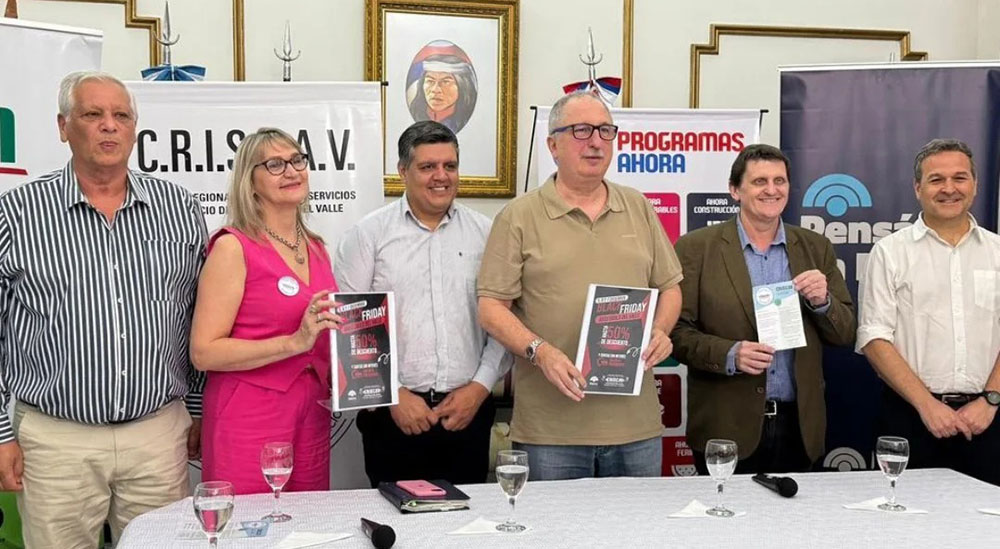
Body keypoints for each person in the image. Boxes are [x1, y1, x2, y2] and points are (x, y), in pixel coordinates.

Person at [0, 71, 207, 547]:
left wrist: (197, 409)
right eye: (92, 114)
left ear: (134, 128)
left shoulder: (179, 209)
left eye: (121, 115)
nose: (109, 125)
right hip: (55, 443)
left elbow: (196, 316)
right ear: (63, 126)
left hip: (158, 437)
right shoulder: (16, 213)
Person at [477, 91, 682, 480]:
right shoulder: (518, 217)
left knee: (638, 522)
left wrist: (660, 331)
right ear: (553, 145)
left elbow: (670, 288)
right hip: (551, 432)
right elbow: (491, 309)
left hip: (635, 428)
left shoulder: (638, 207)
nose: (596, 142)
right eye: (582, 130)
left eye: (605, 131)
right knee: (554, 524)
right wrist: (540, 352)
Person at [335, 120, 509, 487]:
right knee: (396, 519)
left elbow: (504, 320)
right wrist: (392, 395)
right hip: (392, 417)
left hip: (467, 414)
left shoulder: (487, 234)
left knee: (468, 519)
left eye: (450, 165)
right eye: (428, 166)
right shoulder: (368, 235)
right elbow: (348, 326)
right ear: (403, 171)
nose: (441, 176)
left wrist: (479, 388)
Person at [670, 144, 856, 475]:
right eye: (759, 182)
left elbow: (844, 333)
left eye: (779, 181)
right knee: (726, 511)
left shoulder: (816, 247)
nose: (772, 190)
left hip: (799, 427)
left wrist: (822, 302)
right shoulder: (696, 248)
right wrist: (730, 354)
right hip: (726, 426)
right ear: (735, 190)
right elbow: (676, 333)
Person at [190, 127, 341, 495]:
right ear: (250, 182)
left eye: (297, 160)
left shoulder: (317, 247)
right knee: (250, 522)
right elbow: (203, 352)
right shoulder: (233, 247)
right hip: (248, 414)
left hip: (313, 413)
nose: (291, 171)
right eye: (274, 165)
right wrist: (293, 342)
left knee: (309, 522)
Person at [858, 138, 1000, 485]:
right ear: (917, 188)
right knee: (904, 516)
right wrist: (927, 405)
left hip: (989, 418)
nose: (949, 188)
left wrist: (991, 400)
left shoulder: (997, 252)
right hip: (910, 418)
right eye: (937, 179)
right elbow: (874, 338)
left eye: (960, 178)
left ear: (975, 185)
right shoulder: (890, 252)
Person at [406, 40, 478, 133]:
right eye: (430, 81)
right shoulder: (416, 113)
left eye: (445, 82)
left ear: (462, 86)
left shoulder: (463, 121)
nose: (436, 90)